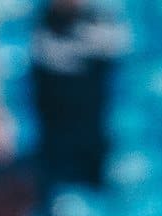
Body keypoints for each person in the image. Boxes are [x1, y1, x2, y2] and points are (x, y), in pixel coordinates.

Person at [30, 0, 130, 191]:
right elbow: (49, 54)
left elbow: (117, 44)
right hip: (55, 130)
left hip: (93, 126)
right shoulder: (42, 19)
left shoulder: (100, 16)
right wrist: (83, 48)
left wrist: (76, 46)